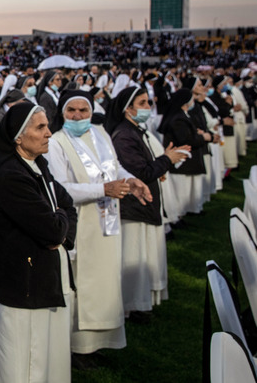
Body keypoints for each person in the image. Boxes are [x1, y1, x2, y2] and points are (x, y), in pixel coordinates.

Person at [46, 90, 152, 363]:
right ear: (62, 113)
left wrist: (132, 181)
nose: (78, 116)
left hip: (107, 220)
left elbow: (115, 168)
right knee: (84, 282)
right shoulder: (57, 142)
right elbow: (61, 189)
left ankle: (100, 342)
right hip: (82, 222)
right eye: (72, 111)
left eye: (84, 110)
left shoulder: (101, 134)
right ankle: (78, 346)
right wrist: (103, 188)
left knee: (105, 281)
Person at [0, 102, 78, 383]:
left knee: (42, 358)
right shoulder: (11, 175)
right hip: (20, 286)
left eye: (47, 126)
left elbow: (65, 205)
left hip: (37, 280)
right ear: (18, 137)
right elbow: (52, 230)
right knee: (24, 363)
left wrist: (61, 228)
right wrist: (59, 227)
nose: (49, 133)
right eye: (41, 127)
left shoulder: (35, 164)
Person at [107, 87, 189, 317]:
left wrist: (164, 161)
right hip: (134, 206)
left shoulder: (134, 130)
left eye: (148, 102)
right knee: (134, 255)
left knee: (144, 254)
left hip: (144, 203)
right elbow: (139, 172)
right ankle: (132, 305)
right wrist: (167, 160)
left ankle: (141, 302)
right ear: (128, 108)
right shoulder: (124, 135)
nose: (148, 108)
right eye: (142, 103)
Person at [157, 88, 209, 218]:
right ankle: (179, 213)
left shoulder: (182, 116)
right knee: (181, 190)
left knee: (188, 189)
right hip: (181, 161)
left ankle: (189, 210)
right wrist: (204, 137)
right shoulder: (178, 119)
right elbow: (186, 139)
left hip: (187, 160)